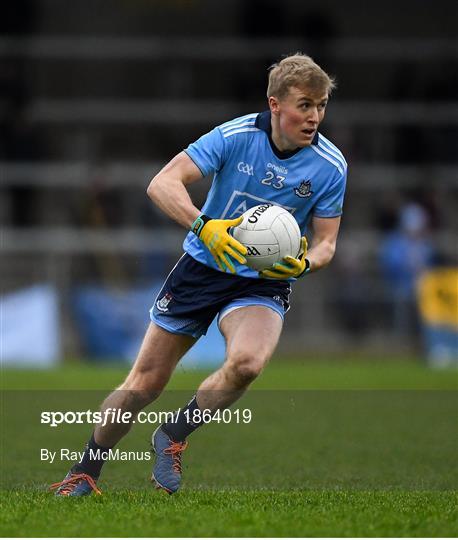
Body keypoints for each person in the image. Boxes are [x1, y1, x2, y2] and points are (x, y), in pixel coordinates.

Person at [50, 53, 347, 496]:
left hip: (262, 281)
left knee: (247, 364)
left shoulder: (330, 166)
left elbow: (326, 243)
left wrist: (304, 263)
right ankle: (85, 470)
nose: (315, 117)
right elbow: (162, 183)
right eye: (305, 105)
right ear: (275, 104)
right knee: (143, 385)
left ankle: (172, 435)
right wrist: (204, 227)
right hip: (202, 268)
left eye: (321, 105)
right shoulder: (235, 136)